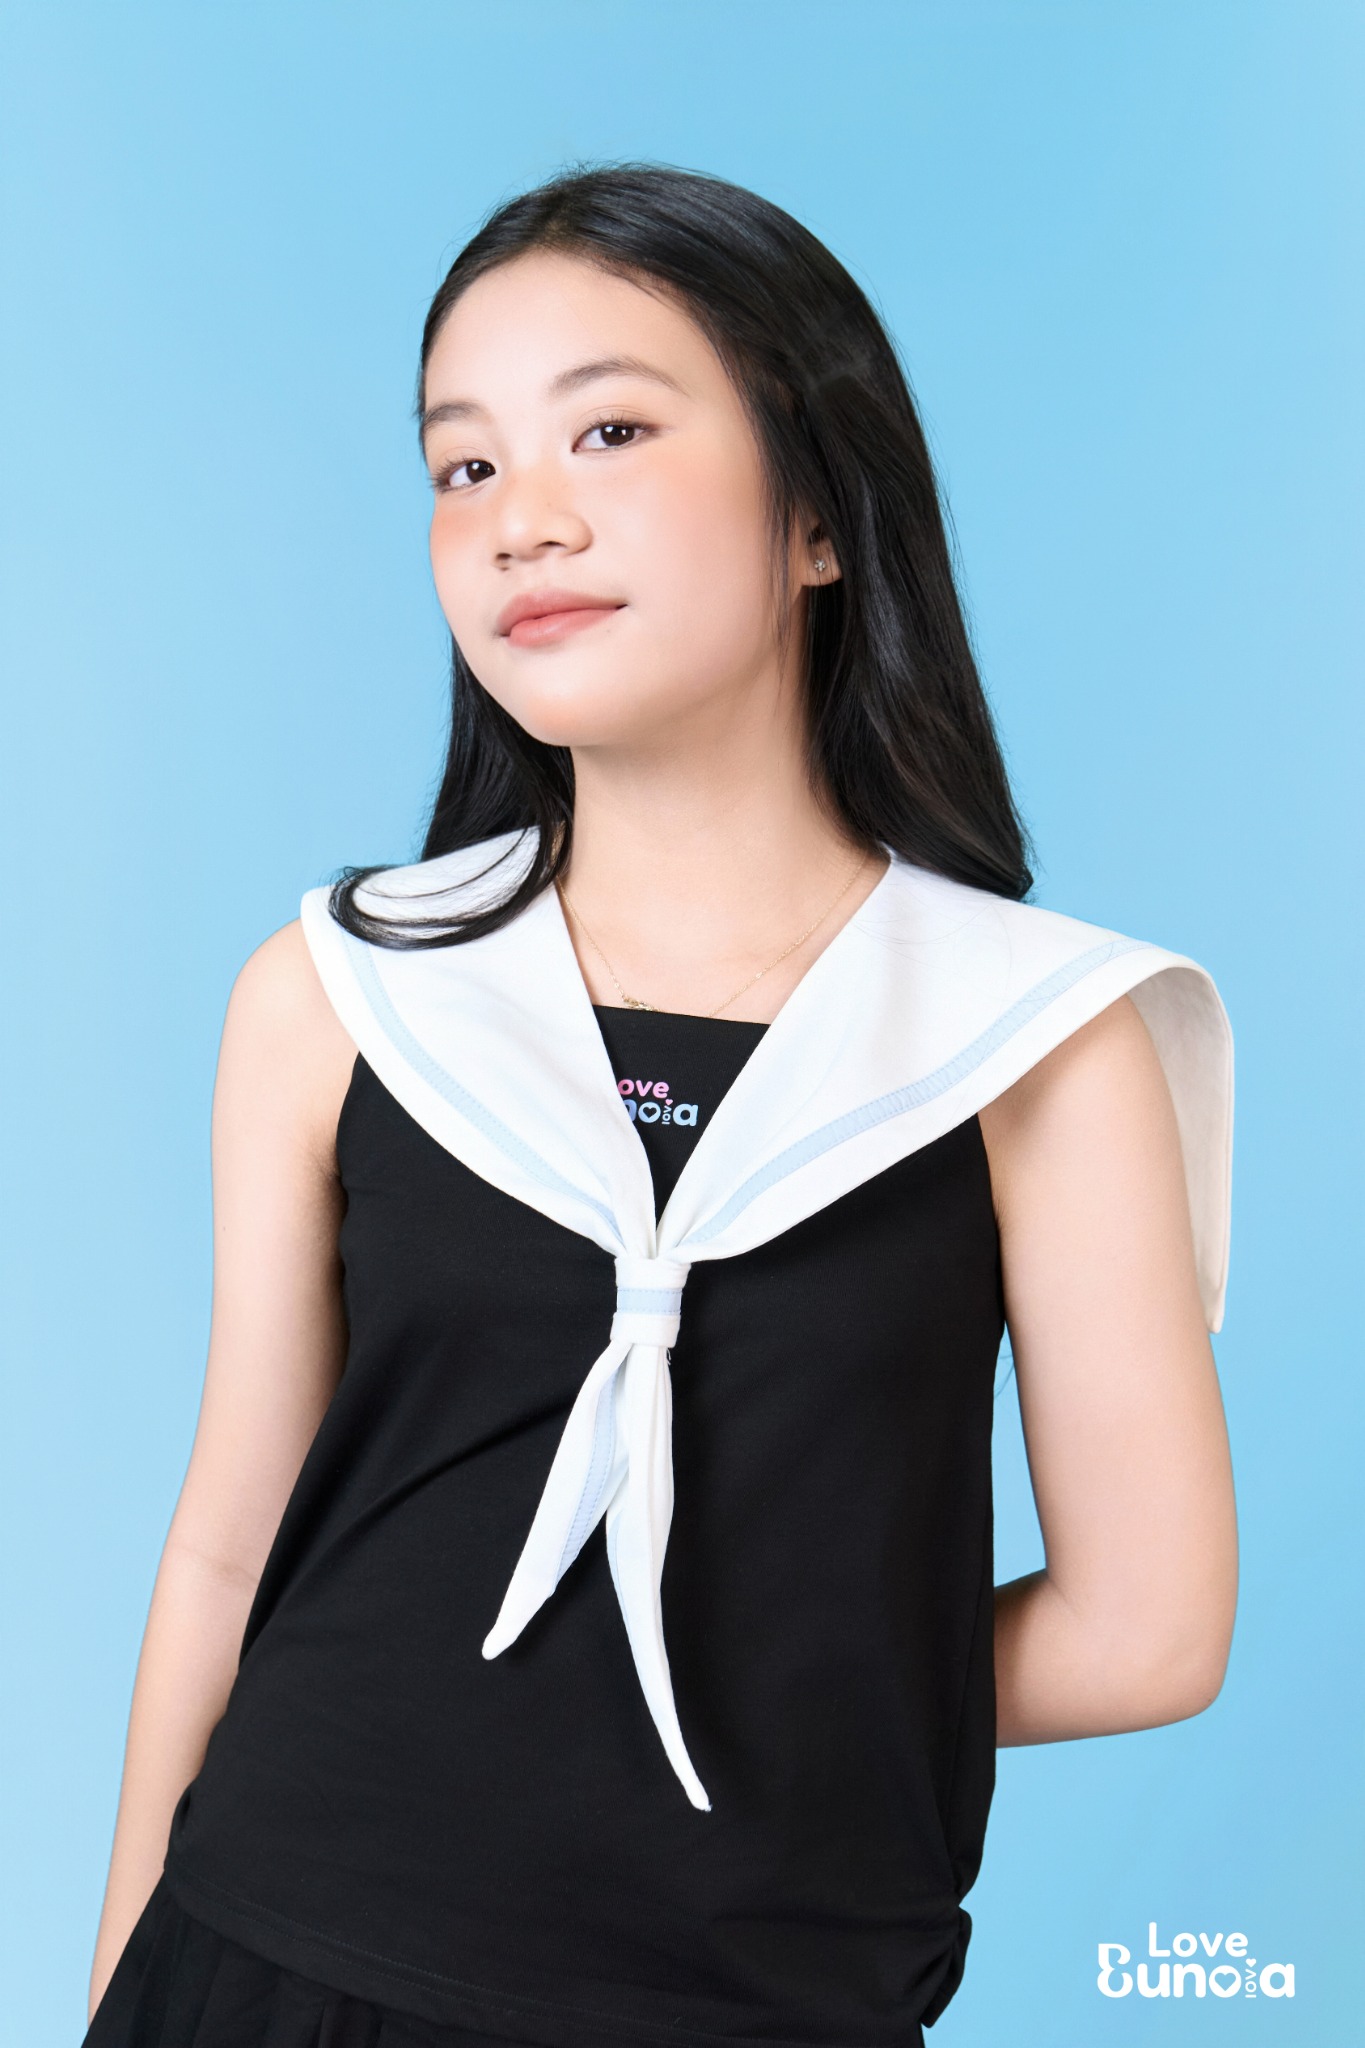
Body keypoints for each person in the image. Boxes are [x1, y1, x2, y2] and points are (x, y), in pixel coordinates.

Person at [82, 162, 1237, 2048]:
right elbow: (227, 1554)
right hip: (265, 1955)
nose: (519, 519)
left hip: (757, 1996)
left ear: (818, 515)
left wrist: (783, 1683)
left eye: (608, 431)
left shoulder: (1033, 1039)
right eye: (462, 465)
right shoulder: (344, 993)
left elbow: (1148, 1633)